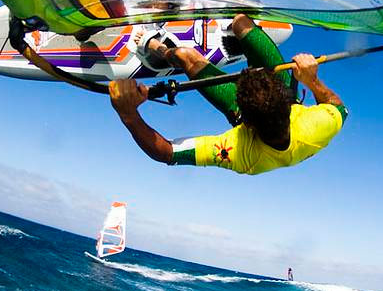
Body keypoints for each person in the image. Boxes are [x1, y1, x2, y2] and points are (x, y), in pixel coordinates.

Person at [108, 14, 347, 175]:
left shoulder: (241, 152)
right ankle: (239, 38)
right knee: (241, 22)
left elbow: (168, 153)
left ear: (248, 126)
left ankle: (156, 48)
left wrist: (128, 114)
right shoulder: (318, 125)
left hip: (253, 107)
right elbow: (339, 107)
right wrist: (311, 79)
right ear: (291, 109)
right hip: (281, 90)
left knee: (185, 56)